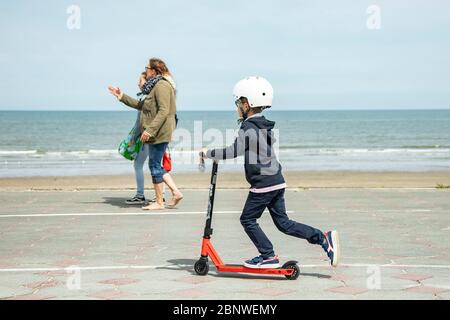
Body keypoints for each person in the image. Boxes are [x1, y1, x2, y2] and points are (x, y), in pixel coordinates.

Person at [200, 76, 340, 269]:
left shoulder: (248, 127)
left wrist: (208, 152)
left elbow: (234, 151)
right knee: (284, 223)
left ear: (247, 104)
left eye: (238, 102)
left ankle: (268, 255)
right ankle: (323, 238)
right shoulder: (263, 125)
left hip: (263, 184)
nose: (237, 106)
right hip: (276, 180)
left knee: (248, 219)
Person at [109, 58, 183, 210]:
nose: (145, 70)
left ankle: (160, 202)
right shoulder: (155, 86)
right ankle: (175, 193)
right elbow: (142, 106)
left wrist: (150, 130)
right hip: (158, 132)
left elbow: (164, 111)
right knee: (155, 164)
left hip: (159, 132)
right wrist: (122, 96)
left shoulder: (162, 85)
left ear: (154, 71)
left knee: (154, 165)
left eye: (147, 68)